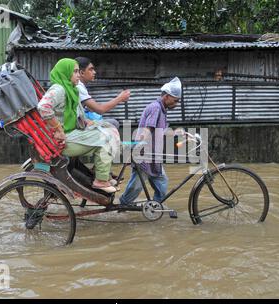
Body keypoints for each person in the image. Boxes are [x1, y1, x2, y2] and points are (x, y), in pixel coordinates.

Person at [37, 58, 119, 193]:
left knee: (109, 128)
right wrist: (58, 128)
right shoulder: (59, 89)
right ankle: (101, 180)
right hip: (62, 140)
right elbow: (43, 107)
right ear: (65, 72)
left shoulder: (70, 89)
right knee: (106, 138)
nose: (78, 75)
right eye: (75, 72)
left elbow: (72, 112)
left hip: (70, 133)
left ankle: (101, 172)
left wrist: (86, 121)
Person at [119, 77, 184, 205]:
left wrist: (177, 133)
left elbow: (160, 131)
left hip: (154, 156)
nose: (176, 104)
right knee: (136, 187)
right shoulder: (156, 108)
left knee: (162, 182)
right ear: (166, 96)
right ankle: (123, 206)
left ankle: (155, 208)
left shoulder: (162, 110)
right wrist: (137, 149)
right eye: (175, 101)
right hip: (144, 155)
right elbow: (147, 130)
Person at [75, 56, 130, 129]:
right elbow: (100, 109)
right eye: (91, 70)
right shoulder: (78, 86)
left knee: (115, 123)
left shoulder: (81, 86)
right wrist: (120, 98)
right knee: (114, 123)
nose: (94, 72)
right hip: (79, 125)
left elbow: (93, 108)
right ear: (81, 73)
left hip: (83, 121)